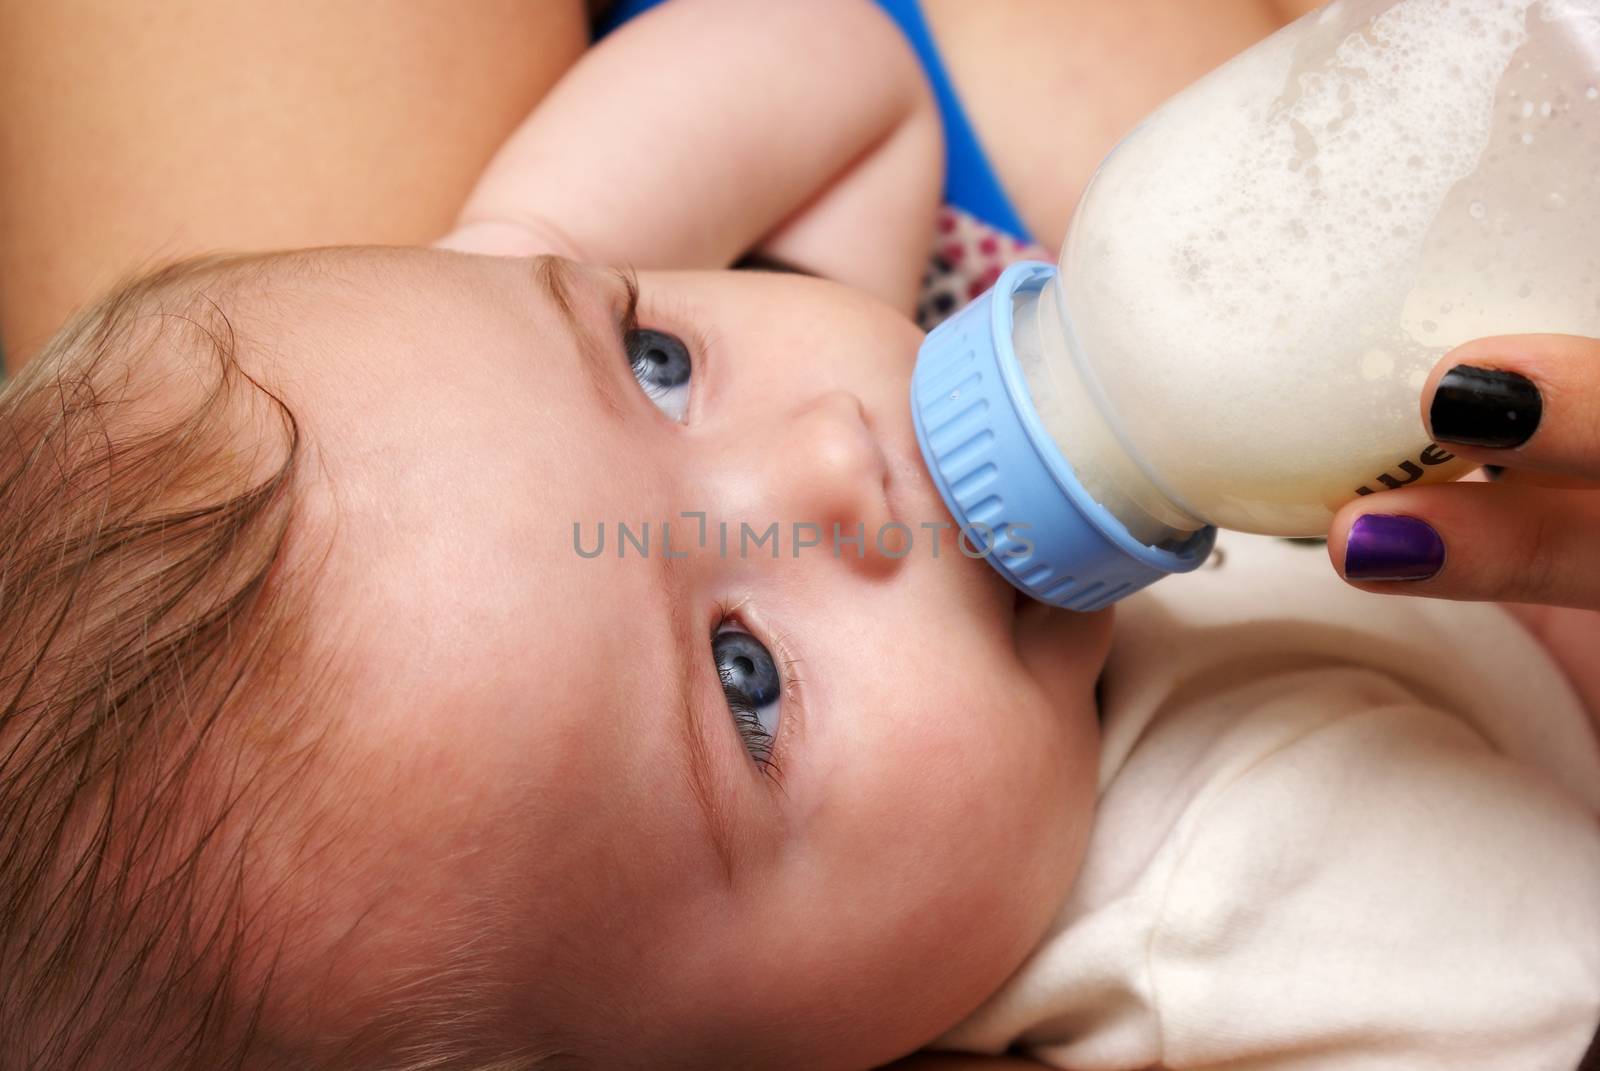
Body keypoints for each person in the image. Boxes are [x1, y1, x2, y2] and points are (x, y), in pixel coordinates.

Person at [0, 2, 1595, 1070]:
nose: (832, 459)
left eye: (654, 357)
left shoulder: (925, 373)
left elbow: (840, 71)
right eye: (746, 679)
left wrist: (522, 256)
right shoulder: (1260, 923)